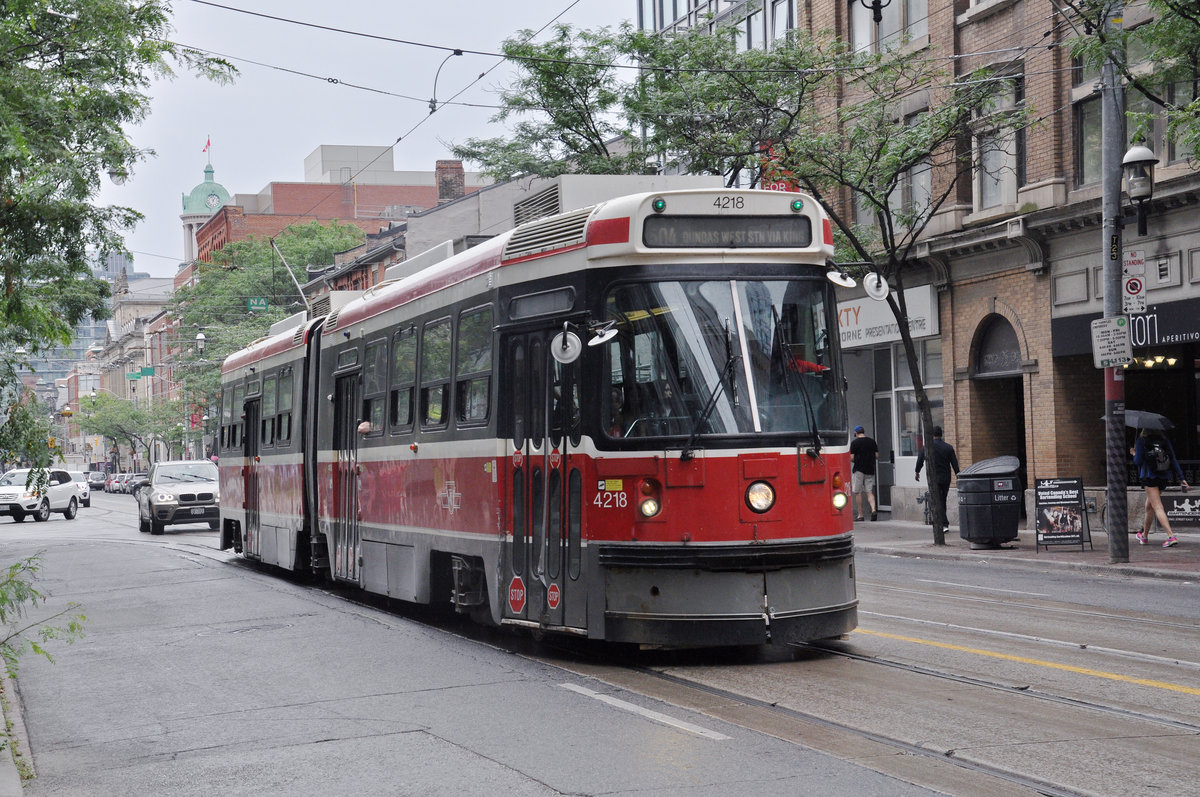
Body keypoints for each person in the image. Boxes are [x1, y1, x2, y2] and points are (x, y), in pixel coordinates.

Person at [1130, 428, 1189, 547]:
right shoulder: (1164, 441)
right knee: (1149, 506)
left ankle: (1170, 536)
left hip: (1149, 477)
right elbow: (1173, 459)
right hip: (1163, 477)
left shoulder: (1142, 441)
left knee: (1157, 506)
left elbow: (1138, 461)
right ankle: (1144, 536)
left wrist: (1134, 453)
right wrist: (1182, 477)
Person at [915, 426, 960, 534]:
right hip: (945, 478)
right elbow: (954, 464)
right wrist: (958, 475)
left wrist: (917, 472)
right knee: (942, 499)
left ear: (932, 435)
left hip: (934, 478)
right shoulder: (948, 448)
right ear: (941, 434)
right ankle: (943, 523)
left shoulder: (927, 447)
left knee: (938, 501)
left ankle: (943, 524)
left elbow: (920, 460)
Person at [849, 425, 879, 521]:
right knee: (869, 491)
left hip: (858, 469)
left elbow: (851, 458)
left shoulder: (854, 443)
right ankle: (873, 509)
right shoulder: (872, 442)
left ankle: (860, 515)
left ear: (856, 433)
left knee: (858, 492)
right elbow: (877, 456)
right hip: (870, 468)